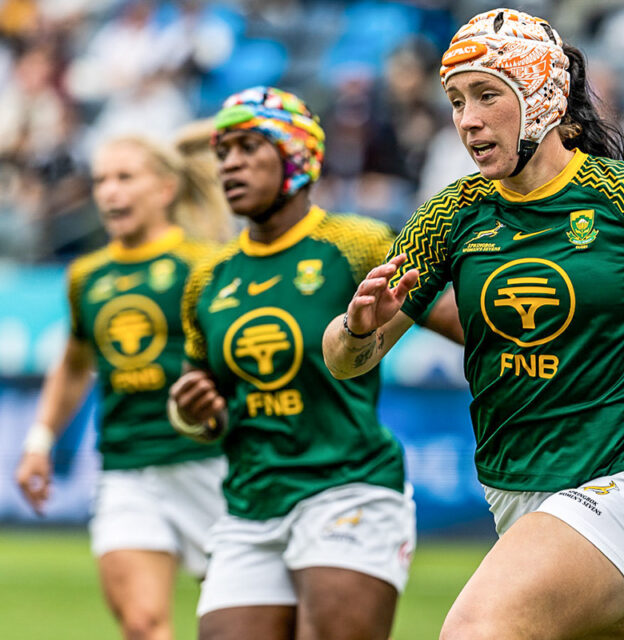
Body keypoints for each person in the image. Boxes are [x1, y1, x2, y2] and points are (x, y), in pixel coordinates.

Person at [323, 8, 624, 639]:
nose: (467, 119)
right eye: (456, 101)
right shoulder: (450, 216)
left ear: (541, 97)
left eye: (486, 95)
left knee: (474, 631)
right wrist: (358, 328)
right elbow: (347, 362)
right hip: (516, 496)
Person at [168, 86, 462, 640]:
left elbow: (464, 324)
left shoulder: (357, 243)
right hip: (251, 502)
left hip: (349, 487)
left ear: (297, 156)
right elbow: (197, 401)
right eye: (223, 151)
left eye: (248, 147)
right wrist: (190, 412)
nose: (229, 163)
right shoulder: (208, 278)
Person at [15, 129, 232, 640]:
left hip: (211, 464)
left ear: (165, 189)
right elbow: (74, 364)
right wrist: (40, 441)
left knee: (242, 623)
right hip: (125, 469)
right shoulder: (87, 276)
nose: (110, 191)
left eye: (125, 177)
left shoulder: (204, 264)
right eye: (101, 180)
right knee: (141, 624)